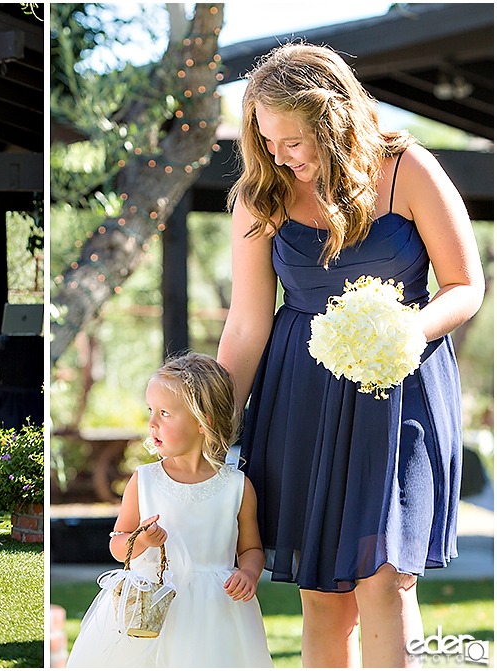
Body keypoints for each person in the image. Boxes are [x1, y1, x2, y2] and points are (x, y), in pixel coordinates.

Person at [216, 43, 485, 667]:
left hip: (401, 391)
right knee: (324, 593)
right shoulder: (260, 198)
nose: (281, 156)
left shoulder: (406, 168)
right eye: (268, 141)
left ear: (335, 121)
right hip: (300, 396)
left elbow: (466, 285)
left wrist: (412, 332)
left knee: (386, 578)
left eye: (295, 141)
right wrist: (214, 422)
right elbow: (248, 325)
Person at [66, 353, 273, 668]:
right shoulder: (144, 481)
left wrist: (248, 572)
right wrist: (143, 541)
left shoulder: (237, 487)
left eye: (164, 413)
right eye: (151, 411)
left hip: (216, 612)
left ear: (205, 421)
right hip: (152, 609)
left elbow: (251, 548)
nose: (152, 423)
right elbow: (118, 543)